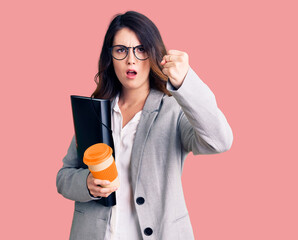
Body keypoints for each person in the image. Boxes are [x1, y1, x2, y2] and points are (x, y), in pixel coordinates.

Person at [56, 11, 233, 240]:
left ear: (153, 54)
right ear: (110, 57)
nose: (131, 59)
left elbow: (219, 141)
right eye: (121, 50)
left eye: (140, 49)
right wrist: (87, 184)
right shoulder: (95, 111)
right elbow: (64, 177)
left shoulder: (174, 110)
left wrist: (186, 82)